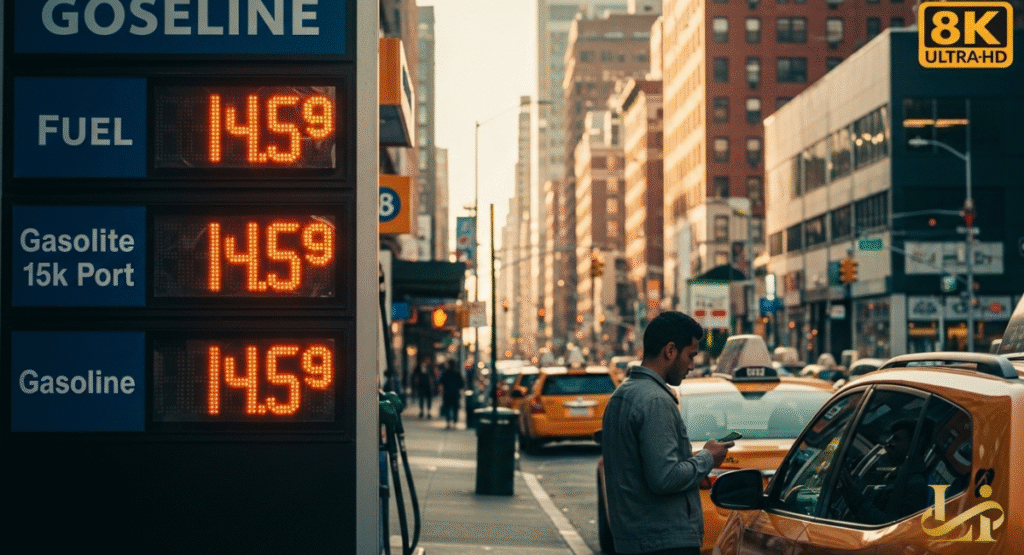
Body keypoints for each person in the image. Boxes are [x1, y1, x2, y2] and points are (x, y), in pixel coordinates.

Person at [601, 311, 734, 555]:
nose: (692, 366)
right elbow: (664, 477)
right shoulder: (655, 401)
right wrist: (706, 458)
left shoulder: (621, 396)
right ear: (670, 351)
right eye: (690, 356)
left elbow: (645, 467)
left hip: (635, 540)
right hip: (664, 542)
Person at [838, 418, 933, 524]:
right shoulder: (896, 474)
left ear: (916, 445)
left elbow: (890, 527)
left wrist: (853, 494)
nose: (888, 442)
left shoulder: (915, 485)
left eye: (896, 439)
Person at [438, 360, 465, 429]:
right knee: (455, 408)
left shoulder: (445, 373)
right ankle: (454, 423)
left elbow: (441, 382)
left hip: (447, 393)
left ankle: (448, 423)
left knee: (447, 408)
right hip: (455, 393)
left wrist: (441, 392)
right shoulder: (457, 373)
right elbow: (461, 384)